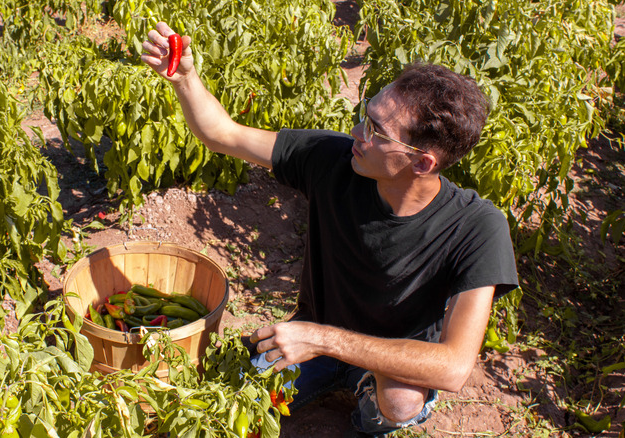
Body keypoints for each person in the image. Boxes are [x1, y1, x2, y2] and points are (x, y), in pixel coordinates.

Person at [141, 22, 519, 437]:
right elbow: (222, 134)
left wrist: (321, 339)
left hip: (391, 362)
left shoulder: (477, 227)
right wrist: (185, 80)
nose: (357, 133)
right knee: (230, 394)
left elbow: (454, 367)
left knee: (400, 401)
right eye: (366, 116)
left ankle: (369, 411)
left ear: (423, 162)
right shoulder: (334, 159)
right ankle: (326, 375)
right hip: (312, 341)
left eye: (377, 132)